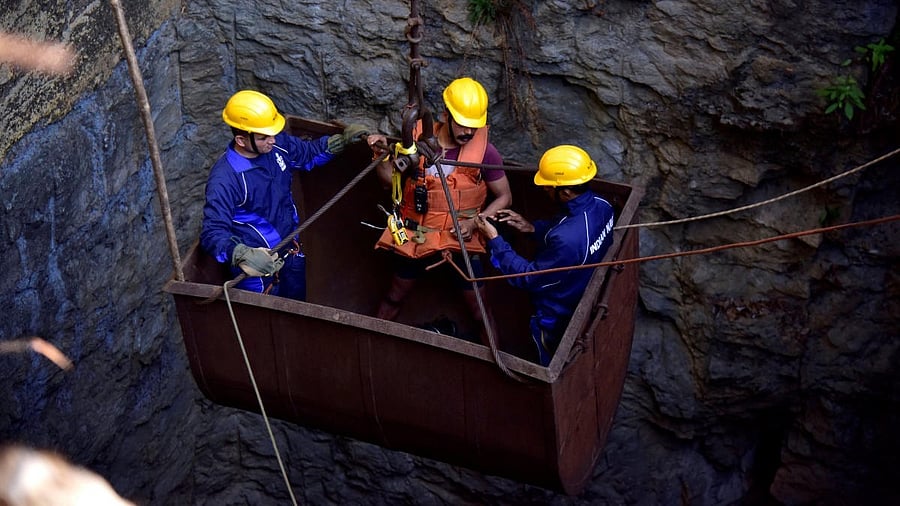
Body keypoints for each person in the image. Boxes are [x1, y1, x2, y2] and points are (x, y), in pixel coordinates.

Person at [371, 77, 512, 343]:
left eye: (474, 126)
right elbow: (389, 181)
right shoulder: (416, 141)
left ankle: (494, 356)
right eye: (462, 124)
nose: (468, 132)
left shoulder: (485, 153)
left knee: (480, 308)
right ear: (446, 114)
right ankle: (373, 342)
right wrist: (380, 155)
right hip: (416, 235)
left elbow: (504, 196)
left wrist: (476, 223)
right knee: (394, 295)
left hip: (461, 239)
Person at [200, 89, 372, 300]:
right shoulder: (226, 179)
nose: (272, 140)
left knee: (296, 305)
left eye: (272, 133)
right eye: (264, 137)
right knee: (266, 321)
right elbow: (212, 232)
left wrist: (340, 142)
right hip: (256, 270)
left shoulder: (276, 146)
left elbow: (307, 154)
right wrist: (240, 254)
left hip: (290, 250)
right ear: (241, 140)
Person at [473, 145, 615, 366]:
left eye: (549, 188)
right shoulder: (602, 205)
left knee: (546, 354)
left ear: (565, 192)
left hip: (557, 313)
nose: (545, 192)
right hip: (579, 288)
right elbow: (569, 232)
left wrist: (494, 240)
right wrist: (533, 229)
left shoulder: (567, 239)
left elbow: (528, 278)